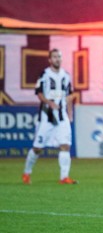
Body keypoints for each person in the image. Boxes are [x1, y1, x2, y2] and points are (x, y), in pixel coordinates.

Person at [22, 49, 76, 185]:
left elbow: (69, 95)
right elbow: (39, 93)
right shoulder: (45, 74)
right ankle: (27, 172)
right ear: (50, 60)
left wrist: (70, 113)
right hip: (46, 116)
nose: (57, 59)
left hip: (62, 116)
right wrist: (49, 102)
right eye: (55, 57)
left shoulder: (66, 75)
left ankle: (64, 177)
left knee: (65, 145)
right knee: (37, 148)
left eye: (59, 56)